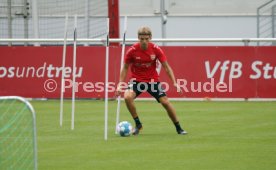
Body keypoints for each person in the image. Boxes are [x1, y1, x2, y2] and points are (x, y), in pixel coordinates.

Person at [115, 26, 187, 135]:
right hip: (136, 81)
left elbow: (166, 67)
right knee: (127, 97)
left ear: (150, 38)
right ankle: (138, 124)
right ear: (138, 38)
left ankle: (179, 128)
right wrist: (120, 84)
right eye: (142, 39)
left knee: (165, 102)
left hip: (152, 81)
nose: (144, 41)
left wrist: (175, 83)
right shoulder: (132, 51)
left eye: (146, 39)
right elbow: (125, 68)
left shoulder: (156, 49)